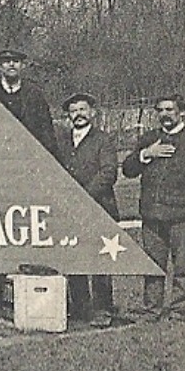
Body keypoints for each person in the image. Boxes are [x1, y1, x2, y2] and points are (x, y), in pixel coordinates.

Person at [122, 95, 185, 322]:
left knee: (183, 267)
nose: (165, 114)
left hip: (183, 215)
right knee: (153, 266)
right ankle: (152, 310)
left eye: (169, 109)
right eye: (160, 110)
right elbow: (128, 169)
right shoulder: (149, 139)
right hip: (152, 214)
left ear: (182, 113)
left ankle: (179, 311)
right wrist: (146, 154)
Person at [56, 92, 120, 327]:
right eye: (73, 111)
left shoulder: (104, 140)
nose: (78, 115)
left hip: (99, 208)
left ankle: (103, 309)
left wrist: (83, 196)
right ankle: (81, 307)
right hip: (71, 210)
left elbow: (108, 173)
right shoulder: (62, 141)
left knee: (100, 260)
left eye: (83, 109)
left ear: (92, 112)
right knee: (74, 257)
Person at [0, 47, 59, 159]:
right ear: (0, 66)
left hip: (29, 156)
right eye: (6, 61)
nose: (11, 64)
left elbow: (46, 131)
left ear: (22, 65)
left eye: (16, 61)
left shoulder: (34, 94)